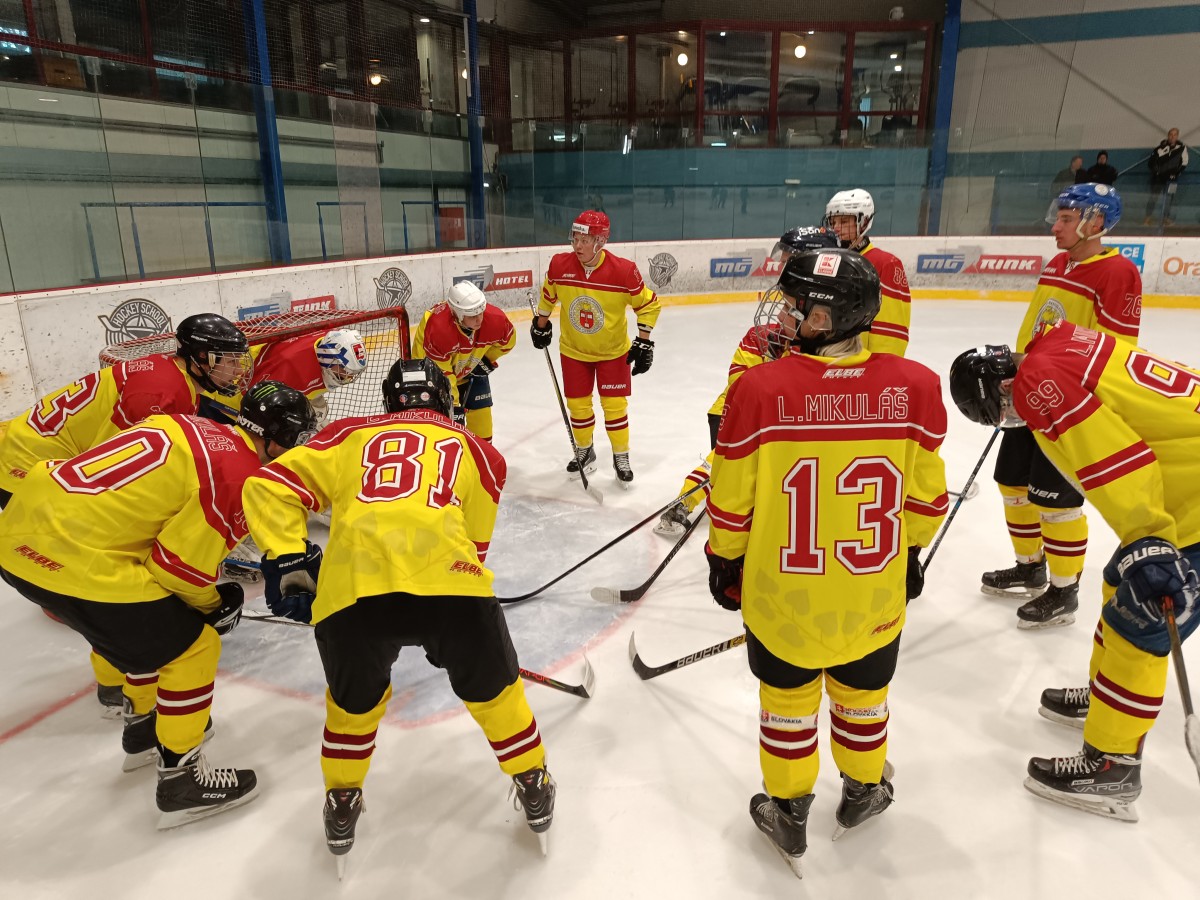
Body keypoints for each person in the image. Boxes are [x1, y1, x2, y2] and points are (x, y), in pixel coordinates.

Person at [242, 358, 554, 870]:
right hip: (451, 587)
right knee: (497, 694)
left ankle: (342, 800)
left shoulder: (346, 434)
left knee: (352, 709)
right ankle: (532, 781)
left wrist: (290, 557)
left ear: (389, 403)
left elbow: (267, 486)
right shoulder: (482, 452)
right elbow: (476, 545)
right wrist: (439, 624)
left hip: (352, 592)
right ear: (445, 401)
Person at [705, 248, 948, 878]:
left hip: (781, 598)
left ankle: (788, 809)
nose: (784, 315)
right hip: (872, 596)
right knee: (864, 699)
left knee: (787, 705)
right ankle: (864, 789)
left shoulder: (759, 389)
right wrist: (912, 550)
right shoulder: (915, 386)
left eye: (796, 306)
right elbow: (927, 495)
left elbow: (731, 501)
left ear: (827, 318)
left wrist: (724, 561)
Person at [0, 381, 316, 828]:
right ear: (278, 439)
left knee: (149, 619)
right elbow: (178, 570)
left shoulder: (188, 423)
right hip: (76, 560)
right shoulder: (241, 475)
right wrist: (214, 605)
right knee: (194, 646)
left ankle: (143, 725)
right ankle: (181, 780)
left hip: (19, 537)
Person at [949, 321, 1200, 822]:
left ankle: (1112, 766)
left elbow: (1117, 460)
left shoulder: (1038, 383)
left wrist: (1148, 538)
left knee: (1140, 623)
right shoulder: (1054, 342)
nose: (1010, 417)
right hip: (1185, 483)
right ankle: (1106, 696)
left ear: (1004, 385)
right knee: (1118, 581)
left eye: (1000, 409)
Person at [0, 312, 252, 714]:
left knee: (99, 567)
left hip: (30, 452)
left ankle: (108, 655)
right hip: (26, 465)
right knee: (103, 576)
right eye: (228, 359)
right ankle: (119, 666)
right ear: (200, 358)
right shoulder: (162, 394)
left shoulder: (172, 376)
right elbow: (116, 480)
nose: (237, 369)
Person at [981, 183, 1142, 629]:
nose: (1055, 226)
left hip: (1068, 405)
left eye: (1067, 219)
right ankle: (1029, 566)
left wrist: (1077, 398)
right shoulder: (1058, 264)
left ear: (1096, 222)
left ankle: (1064, 590)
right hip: (1030, 391)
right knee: (1012, 483)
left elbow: (1115, 351)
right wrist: (1016, 371)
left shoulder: (1118, 273)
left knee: (1055, 500)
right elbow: (1039, 325)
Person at [655, 225, 840, 537]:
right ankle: (686, 500)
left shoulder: (834, 346)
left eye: (790, 261)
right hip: (732, 414)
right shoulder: (765, 337)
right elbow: (743, 398)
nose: (782, 270)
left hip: (781, 427)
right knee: (737, 458)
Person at [209, 327, 368, 582]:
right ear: (328, 359)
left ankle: (320, 495)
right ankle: (236, 542)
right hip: (232, 403)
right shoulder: (289, 371)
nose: (346, 377)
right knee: (256, 465)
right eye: (342, 371)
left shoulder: (322, 352)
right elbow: (255, 405)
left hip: (265, 397)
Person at [530, 210, 661, 486]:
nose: (577, 245)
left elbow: (648, 304)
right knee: (578, 406)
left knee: (614, 407)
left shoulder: (623, 271)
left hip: (612, 352)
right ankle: (585, 450)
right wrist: (540, 324)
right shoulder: (559, 265)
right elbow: (549, 294)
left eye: (585, 240)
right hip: (573, 350)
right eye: (575, 238)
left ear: (600, 242)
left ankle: (620, 455)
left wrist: (644, 340)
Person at [412, 280, 516, 442]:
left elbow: (508, 342)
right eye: (473, 316)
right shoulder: (439, 330)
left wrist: (486, 361)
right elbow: (444, 375)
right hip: (431, 375)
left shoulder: (495, 319)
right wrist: (455, 406)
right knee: (441, 432)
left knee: (482, 422)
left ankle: (482, 456)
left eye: (480, 312)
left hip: (468, 370)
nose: (479, 319)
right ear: (458, 315)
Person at [824, 189, 912, 356]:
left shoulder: (885, 263)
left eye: (844, 221)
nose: (836, 228)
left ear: (863, 222)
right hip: (833, 359)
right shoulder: (831, 260)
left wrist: (882, 365)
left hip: (863, 363)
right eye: (832, 222)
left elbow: (891, 329)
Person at [1145, 127, 1189, 226]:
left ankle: (1165, 218)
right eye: (1171, 134)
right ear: (1168, 136)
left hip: (1172, 180)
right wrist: (1156, 172)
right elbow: (1151, 163)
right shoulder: (1159, 148)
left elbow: (1184, 163)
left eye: (1175, 135)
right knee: (1153, 198)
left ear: (1177, 136)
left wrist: (1176, 173)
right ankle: (1147, 219)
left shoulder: (1182, 148)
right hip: (1158, 179)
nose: (1172, 137)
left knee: (1170, 199)